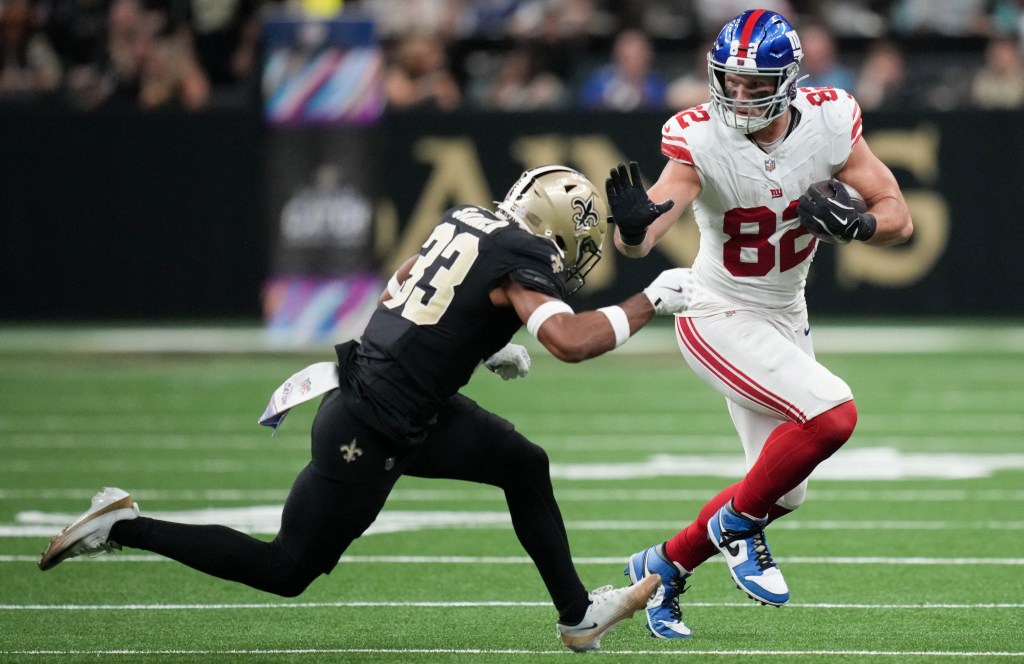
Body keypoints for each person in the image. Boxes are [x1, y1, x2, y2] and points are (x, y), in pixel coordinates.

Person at [38, 165, 696, 653]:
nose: (572, 256)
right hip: (374, 421)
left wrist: (475, 344)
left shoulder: (467, 218)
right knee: (287, 569)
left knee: (523, 464)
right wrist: (649, 303)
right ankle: (122, 525)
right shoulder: (521, 254)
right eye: (575, 239)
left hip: (406, 401)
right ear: (551, 222)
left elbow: (407, 279)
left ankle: (577, 617)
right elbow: (568, 341)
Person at [603, 9, 913, 639]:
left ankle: (662, 566)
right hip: (717, 311)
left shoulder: (828, 121)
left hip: (785, 313)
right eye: (730, 81)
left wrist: (857, 227)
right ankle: (733, 529)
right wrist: (633, 228)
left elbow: (898, 217)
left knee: (783, 489)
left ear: (789, 78)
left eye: (754, 83)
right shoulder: (699, 137)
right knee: (833, 415)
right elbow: (647, 231)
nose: (739, 95)